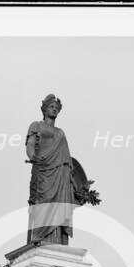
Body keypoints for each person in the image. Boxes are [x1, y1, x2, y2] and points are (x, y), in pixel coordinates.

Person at [25, 94, 78, 245]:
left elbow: (67, 159)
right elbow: (30, 144)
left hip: (61, 173)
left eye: (56, 108)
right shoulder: (36, 125)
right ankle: (39, 234)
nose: (54, 110)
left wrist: (73, 182)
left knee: (60, 205)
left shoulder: (60, 133)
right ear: (44, 109)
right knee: (43, 201)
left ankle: (59, 240)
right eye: (51, 107)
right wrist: (33, 156)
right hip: (43, 170)